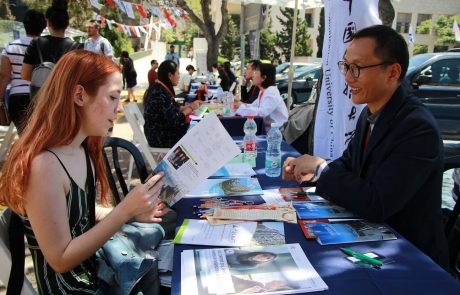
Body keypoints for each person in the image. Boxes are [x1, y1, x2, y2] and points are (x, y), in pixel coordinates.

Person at [0, 49, 168, 293]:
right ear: (79, 95)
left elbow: (80, 214)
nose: (118, 107)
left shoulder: (82, 149)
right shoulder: (44, 165)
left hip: (97, 272)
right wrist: (122, 212)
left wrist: (132, 212)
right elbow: (61, 258)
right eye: (112, 97)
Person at [283, 25, 449, 269]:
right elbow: (349, 163)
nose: (348, 77)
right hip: (373, 238)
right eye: (346, 66)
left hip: (410, 256)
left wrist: (321, 169)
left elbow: (376, 203)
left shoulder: (417, 128)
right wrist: (309, 173)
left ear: (392, 72)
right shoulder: (371, 112)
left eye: (357, 68)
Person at [0, 9, 46, 133]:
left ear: (24, 25)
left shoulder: (10, 46)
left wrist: (0, 99)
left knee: (24, 136)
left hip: (17, 97)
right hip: (41, 97)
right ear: (43, 26)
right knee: (39, 135)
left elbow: (4, 76)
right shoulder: (46, 46)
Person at [22, 0, 80, 97]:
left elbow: (25, 75)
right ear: (67, 24)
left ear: (48, 23)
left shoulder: (36, 43)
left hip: (41, 99)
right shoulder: (77, 48)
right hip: (64, 100)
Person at [144, 60, 201, 148]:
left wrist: (189, 106)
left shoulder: (160, 88)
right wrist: (191, 109)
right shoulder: (160, 93)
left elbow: (173, 109)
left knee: (196, 129)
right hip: (159, 137)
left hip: (159, 133)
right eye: (177, 73)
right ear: (170, 75)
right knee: (198, 135)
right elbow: (175, 121)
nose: (179, 77)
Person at [234, 63, 288, 132]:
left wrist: (241, 107)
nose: (253, 76)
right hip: (267, 129)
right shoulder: (264, 91)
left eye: (256, 73)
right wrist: (239, 103)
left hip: (277, 133)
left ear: (263, 77)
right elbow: (253, 106)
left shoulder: (271, 93)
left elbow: (262, 113)